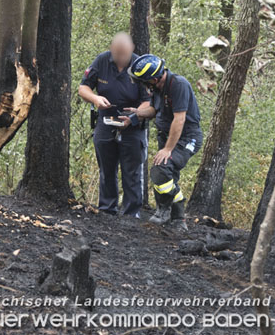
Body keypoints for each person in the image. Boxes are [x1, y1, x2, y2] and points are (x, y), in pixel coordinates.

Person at [120, 54, 203, 231]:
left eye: (144, 81)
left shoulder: (178, 85)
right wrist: (135, 114)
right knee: (166, 175)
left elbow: (179, 120)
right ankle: (170, 216)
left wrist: (167, 149)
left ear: (155, 78)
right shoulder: (158, 88)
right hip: (167, 136)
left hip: (187, 139)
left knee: (161, 169)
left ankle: (173, 214)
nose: (143, 85)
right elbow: (153, 110)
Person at [78, 33, 150, 218]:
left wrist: (134, 115)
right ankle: (107, 210)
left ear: (132, 50)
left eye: (124, 54)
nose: (121, 58)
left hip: (133, 124)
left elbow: (149, 102)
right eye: (117, 54)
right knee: (106, 168)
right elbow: (83, 87)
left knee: (132, 171)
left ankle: (131, 214)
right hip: (105, 121)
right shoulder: (102, 61)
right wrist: (96, 99)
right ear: (112, 50)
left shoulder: (140, 66)